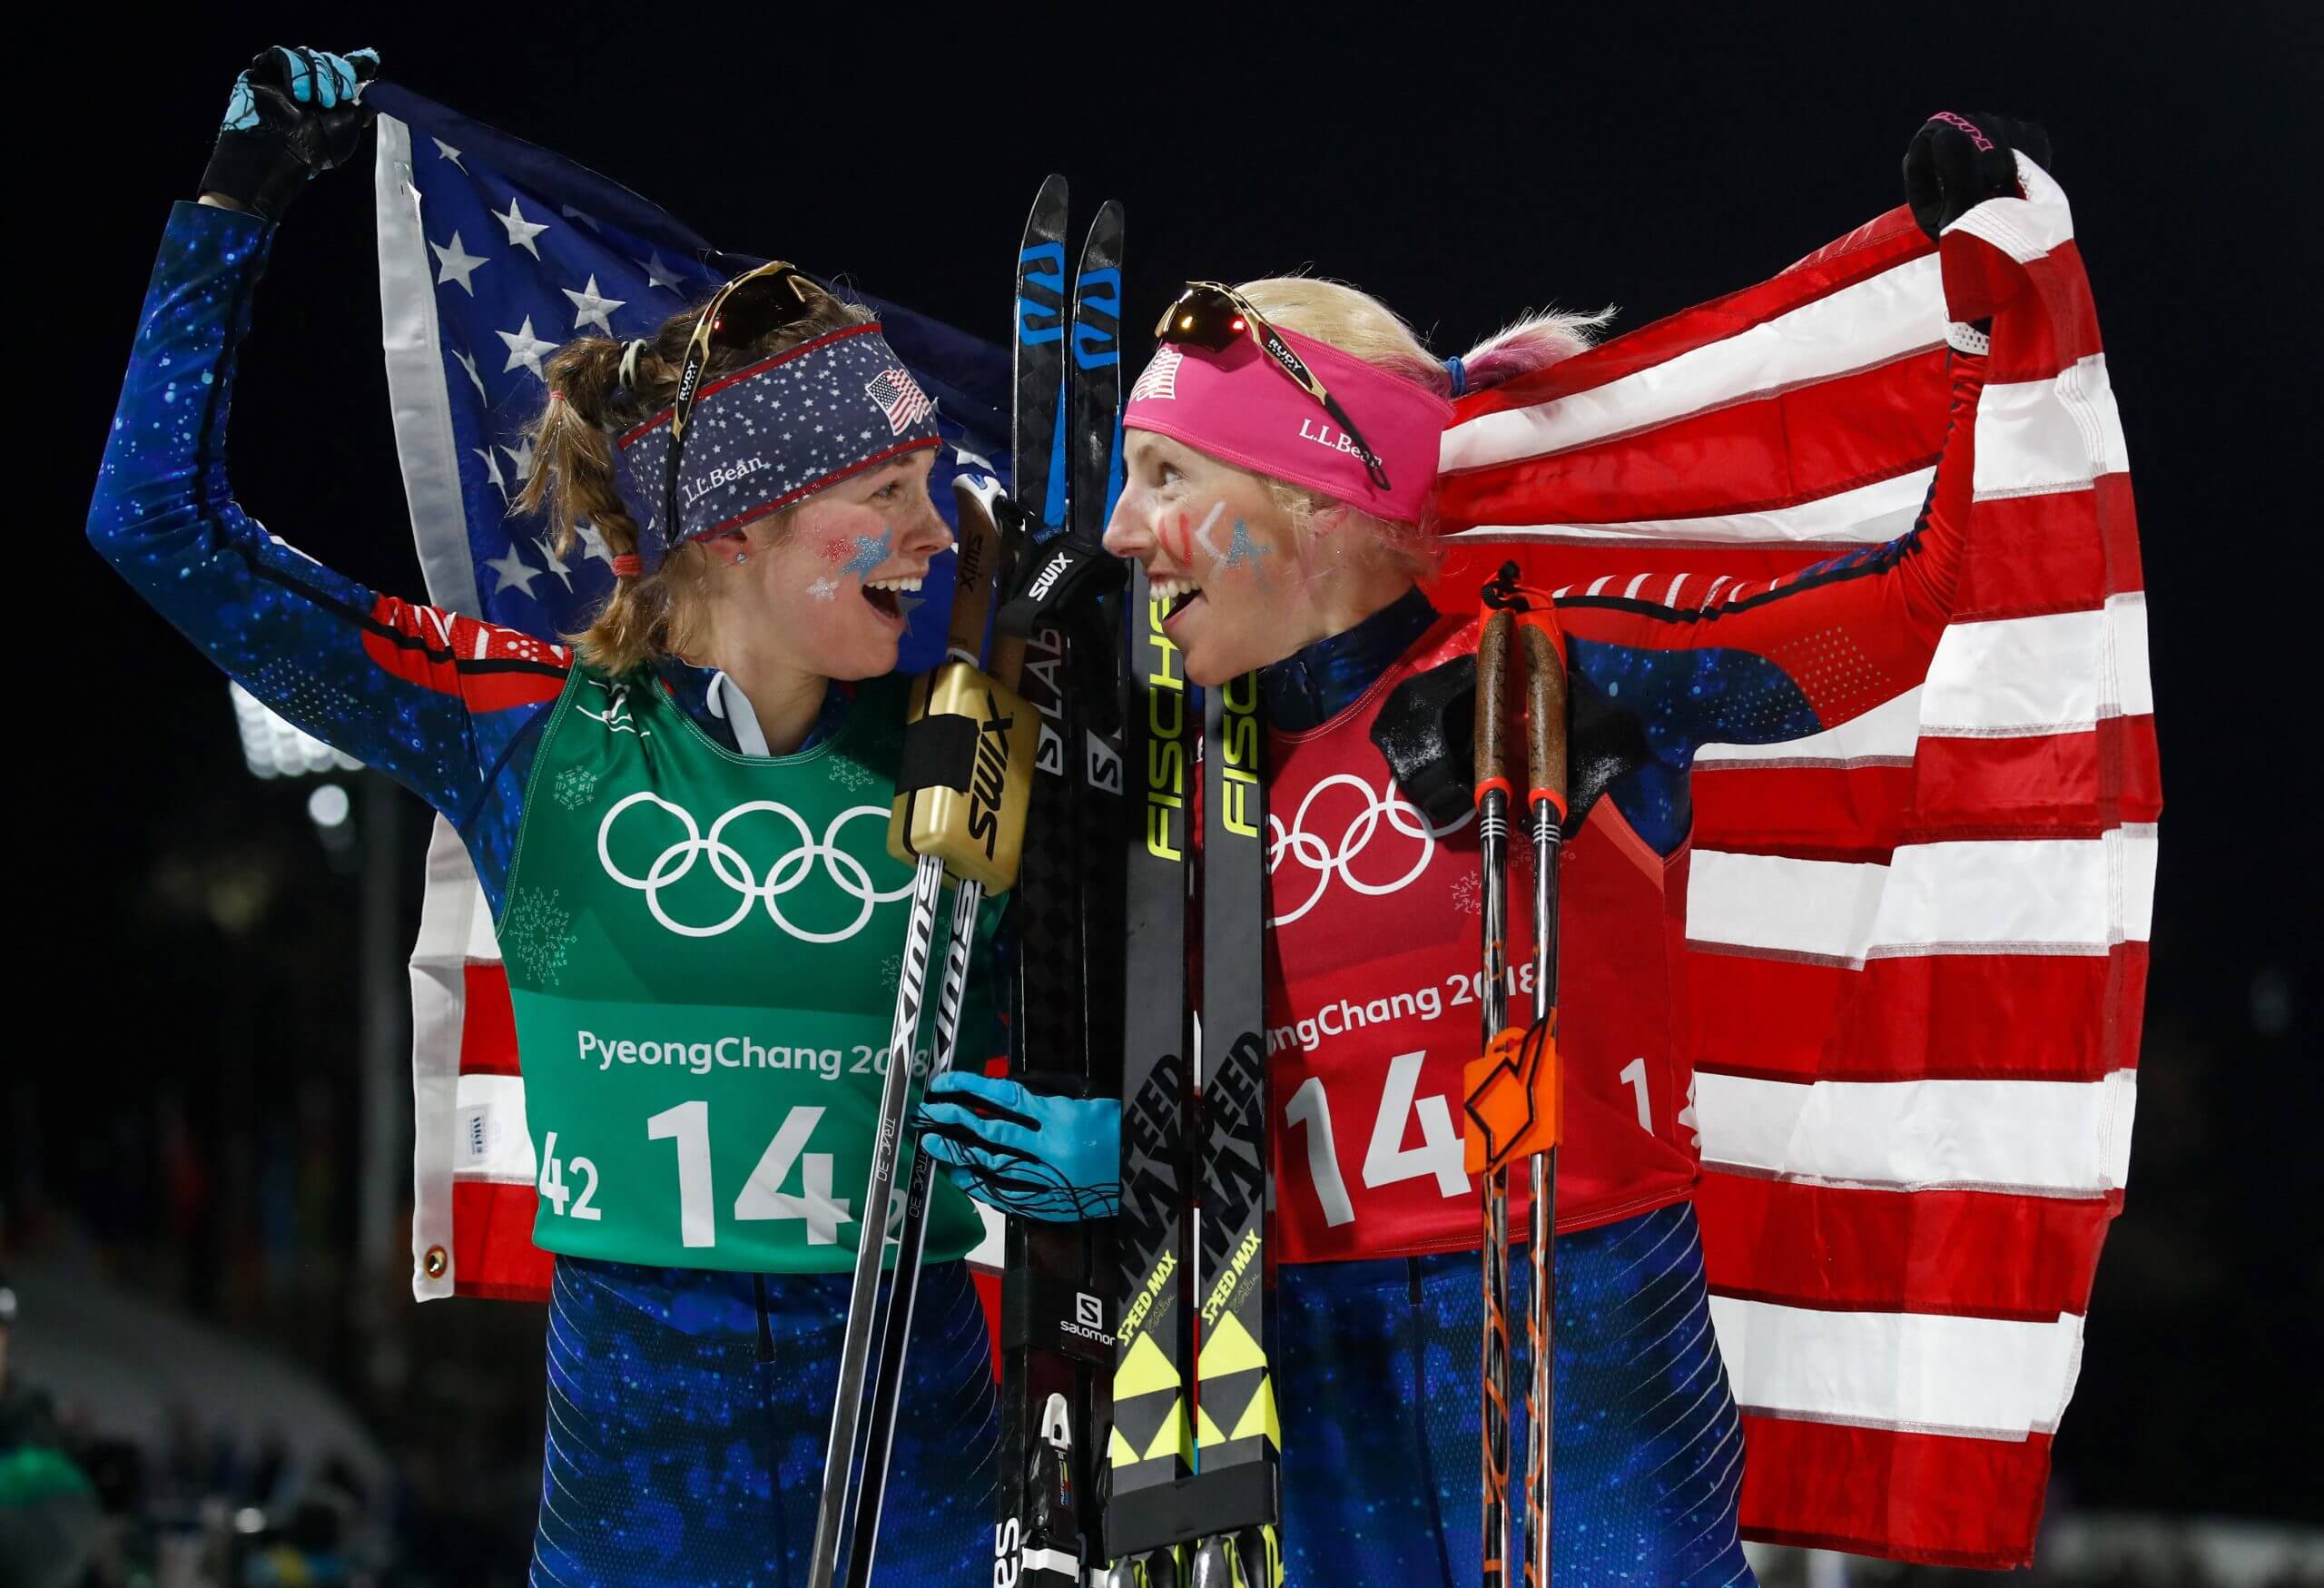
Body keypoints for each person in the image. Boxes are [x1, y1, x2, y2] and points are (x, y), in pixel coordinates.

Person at [927, 113, 2052, 1583]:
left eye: (1167, 478)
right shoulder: (1164, 778)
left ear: (1311, 494)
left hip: (1579, 1353)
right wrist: (1100, 1164)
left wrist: (1991, 320)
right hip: (1293, 1365)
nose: (1129, 533)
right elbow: (1031, 1028)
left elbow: (1914, 611)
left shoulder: (1544, 681)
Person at [87, 45, 1002, 1587]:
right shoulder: (523, 723)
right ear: (739, 520)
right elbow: (153, 522)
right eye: (891, 489)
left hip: (921, 1481)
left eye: (933, 483)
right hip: (640, 1519)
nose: (939, 527)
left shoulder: (973, 736)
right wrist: (232, 207)